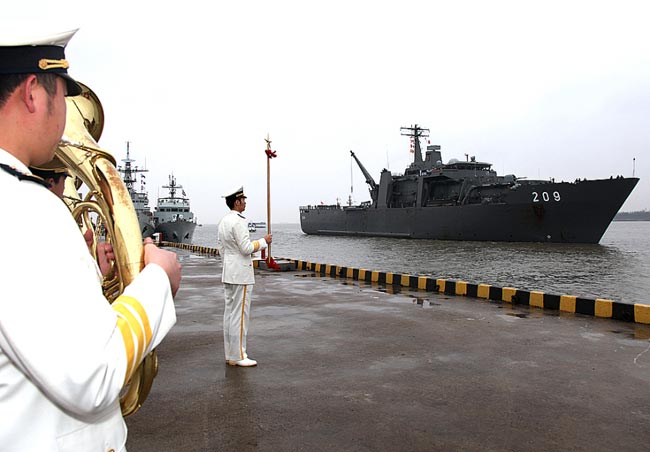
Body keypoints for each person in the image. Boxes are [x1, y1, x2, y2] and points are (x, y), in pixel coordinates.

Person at [0, 29, 182, 451]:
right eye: (63, 96)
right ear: (33, 92)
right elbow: (91, 375)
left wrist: (87, 277)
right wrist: (156, 279)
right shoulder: (26, 207)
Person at [217, 186, 272, 367]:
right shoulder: (238, 221)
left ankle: (230, 354)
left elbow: (222, 249)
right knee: (240, 316)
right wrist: (264, 241)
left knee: (229, 314)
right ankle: (239, 355)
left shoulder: (224, 221)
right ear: (237, 202)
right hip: (241, 273)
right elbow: (246, 248)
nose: (245, 203)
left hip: (228, 271)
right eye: (243, 200)